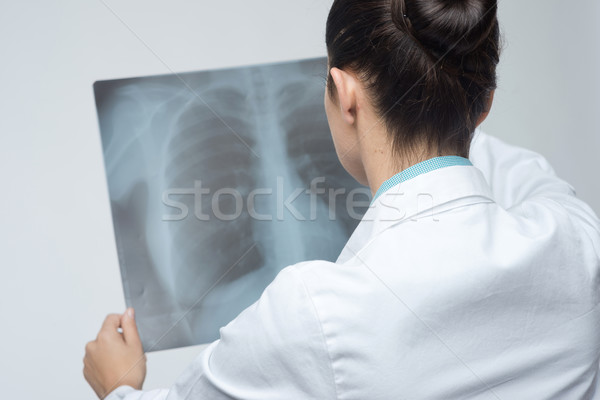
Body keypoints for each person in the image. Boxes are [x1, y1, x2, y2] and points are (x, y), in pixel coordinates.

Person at [84, 0, 600, 398]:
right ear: (486, 103)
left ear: (344, 93)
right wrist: (448, 97)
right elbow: (521, 169)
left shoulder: (310, 315)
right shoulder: (577, 241)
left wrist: (120, 386)